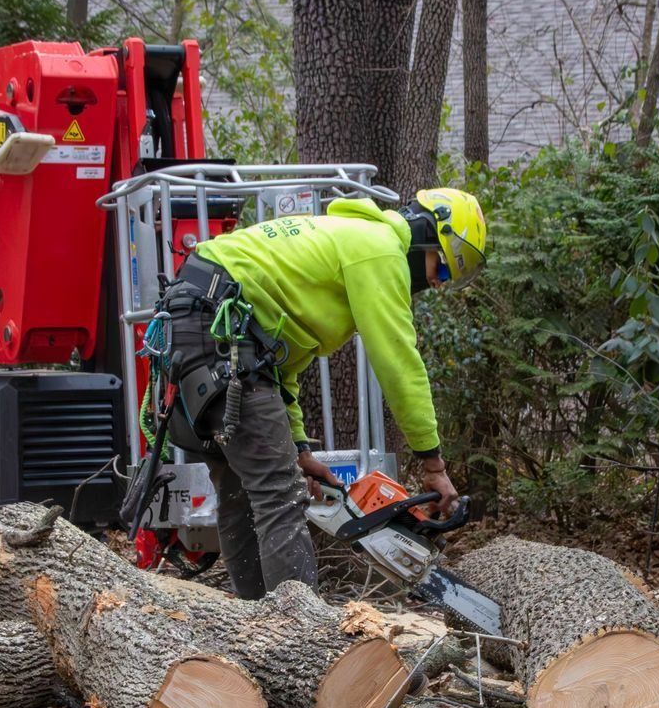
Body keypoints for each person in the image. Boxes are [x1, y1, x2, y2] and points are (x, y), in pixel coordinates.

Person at [156, 188, 485, 598]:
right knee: (280, 495)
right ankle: (299, 639)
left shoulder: (347, 238)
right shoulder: (379, 248)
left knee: (241, 494)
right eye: (442, 270)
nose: (436, 284)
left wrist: (299, 449)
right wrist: (432, 462)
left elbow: (281, 365)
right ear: (426, 237)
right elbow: (399, 362)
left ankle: (258, 630)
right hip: (219, 333)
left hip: (199, 329)